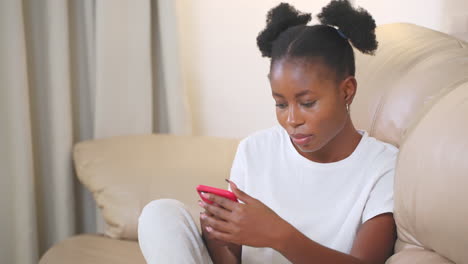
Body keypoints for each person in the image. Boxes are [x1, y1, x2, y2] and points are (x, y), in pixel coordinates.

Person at [138, 1, 398, 263]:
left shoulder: (382, 166)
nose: (292, 120)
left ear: (347, 90)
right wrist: (221, 238)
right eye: (281, 104)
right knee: (160, 213)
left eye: (307, 103)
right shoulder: (255, 149)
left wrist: (278, 235)